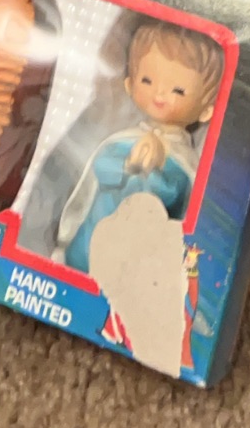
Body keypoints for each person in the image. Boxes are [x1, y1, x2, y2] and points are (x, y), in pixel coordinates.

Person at [56, 20, 224, 277]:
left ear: (207, 111)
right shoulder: (121, 140)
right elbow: (96, 175)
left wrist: (155, 168)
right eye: (147, 80)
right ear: (129, 85)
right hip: (84, 251)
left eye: (178, 90)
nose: (160, 94)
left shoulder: (185, 163)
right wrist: (129, 164)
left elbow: (173, 202)